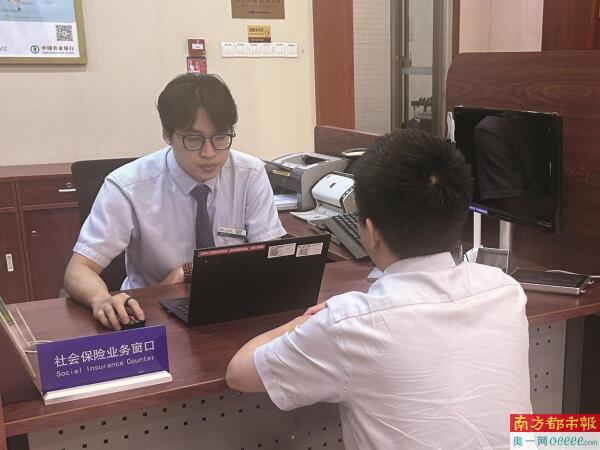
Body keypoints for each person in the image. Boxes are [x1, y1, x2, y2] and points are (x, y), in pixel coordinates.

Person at [226, 130, 532, 449]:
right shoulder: (506, 292)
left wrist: (303, 323)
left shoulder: (351, 324)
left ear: (370, 232)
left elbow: (239, 372)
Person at [64, 74, 285, 330]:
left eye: (220, 137)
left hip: (233, 306)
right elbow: (78, 270)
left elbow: (273, 257)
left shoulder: (250, 173)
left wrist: (187, 272)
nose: (209, 153)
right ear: (167, 135)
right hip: (153, 313)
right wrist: (101, 299)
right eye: (194, 139)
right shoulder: (127, 186)